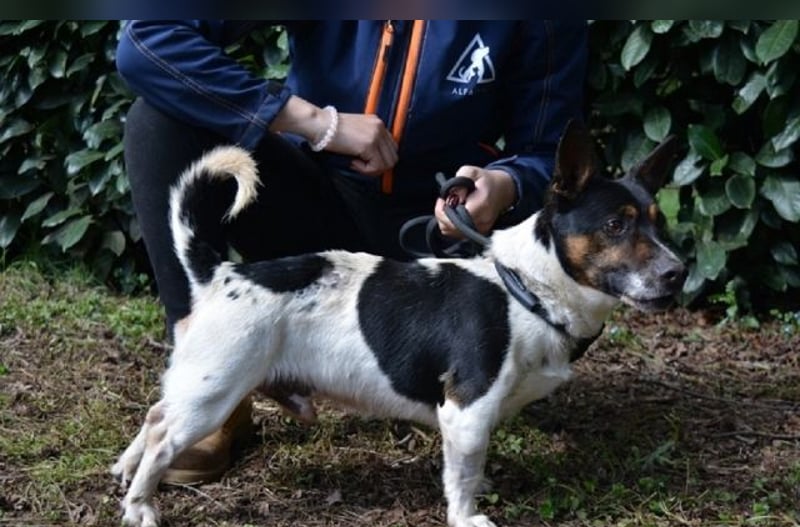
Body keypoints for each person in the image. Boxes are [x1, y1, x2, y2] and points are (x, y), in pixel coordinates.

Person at [116, 20, 588, 484]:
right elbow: (148, 39)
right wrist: (318, 123)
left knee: (574, 274)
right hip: (316, 211)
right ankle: (210, 373)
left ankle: (446, 377)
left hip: (446, 245)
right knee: (158, 121)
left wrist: (504, 185)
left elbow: (550, 151)